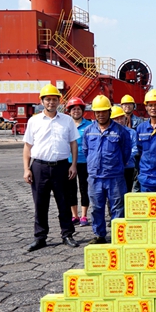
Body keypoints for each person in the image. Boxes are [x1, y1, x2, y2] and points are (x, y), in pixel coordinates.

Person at [22, 84, 79, 252]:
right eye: (48, 99)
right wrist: (26, 169)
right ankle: (40, 237)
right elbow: (27, 146)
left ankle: (67, 234)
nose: (51, 102)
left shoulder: (67, 120)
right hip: (39, 167)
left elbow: (73, 143)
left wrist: (73, 165)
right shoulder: (34, 121)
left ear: (59, 101)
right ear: (42, 101)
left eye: (54, 99)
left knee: (64, 202)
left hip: (62, 167)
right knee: (40, 204)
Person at [81, 95, 131, 244]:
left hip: (115, 177)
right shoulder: (88, 131)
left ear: (109, 111)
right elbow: (86, 151)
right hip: (95, 177)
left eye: (103, 111)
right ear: (94, 113)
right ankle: (99, 235)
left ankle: (117, 236)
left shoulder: (121, 131)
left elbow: (126, 153)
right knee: (96, 208)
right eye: (98, 112)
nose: (101, 114)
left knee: (118, 208)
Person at [65, 97, 91, 227]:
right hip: (68, 161)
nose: (76, 111)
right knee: (71, 189)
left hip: (85, 162)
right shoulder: (66, 125)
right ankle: (74, 216)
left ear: (82, 111)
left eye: (78, 109)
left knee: (84, 188)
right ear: (69, 111)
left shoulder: (89, 125)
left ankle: (84, 216)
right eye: (73, 109)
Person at [111, 106, 138, 193]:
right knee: (113, 192)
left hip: (128, 166)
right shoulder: (108, 133)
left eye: (121, 118)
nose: (120, 121)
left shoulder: (132, 132)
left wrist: (125, 158)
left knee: (127, 191)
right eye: (116, 119)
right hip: (113, 167)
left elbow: (135, 148)